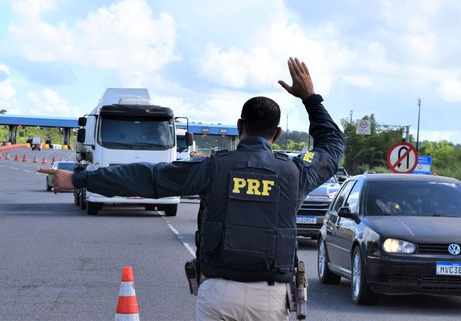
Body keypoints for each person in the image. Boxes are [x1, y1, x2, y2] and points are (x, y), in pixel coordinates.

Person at [39, 57, 345, 320]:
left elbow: (146, 178)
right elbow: (332, 148)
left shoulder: (212, 168)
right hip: (272, 296)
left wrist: (78, 179)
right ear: (277, 134)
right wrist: (311, 99)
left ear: (240, 128)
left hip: (219, 293)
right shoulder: (294, 172)